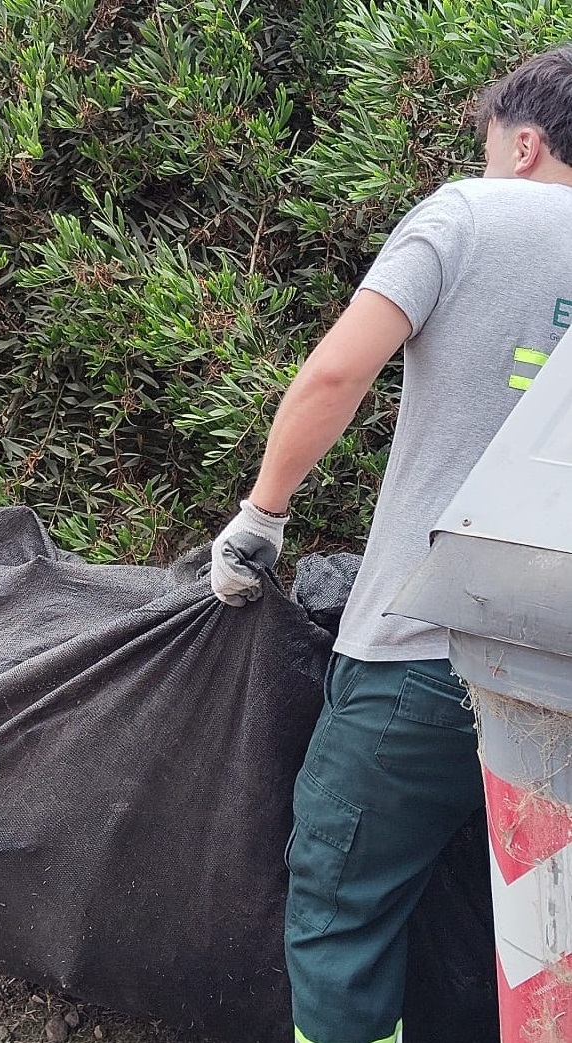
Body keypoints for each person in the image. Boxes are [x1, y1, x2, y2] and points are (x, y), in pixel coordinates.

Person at [208, 46, 572, 1043]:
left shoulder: (466, 212)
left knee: (341, 901)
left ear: (524, 140)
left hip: (425, 651)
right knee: (550, 928)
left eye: (491, 143)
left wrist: (261, 514)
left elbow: (335, 375)